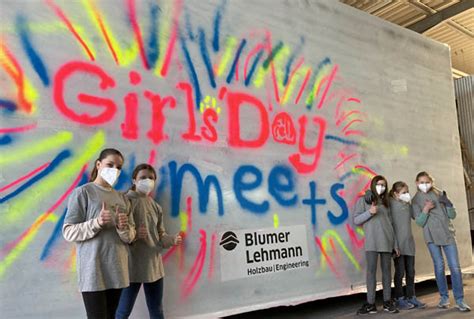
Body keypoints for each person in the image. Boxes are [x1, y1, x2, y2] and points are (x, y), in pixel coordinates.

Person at [63, 148, 135, 319]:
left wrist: (123, 227)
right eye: (110, 165)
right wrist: (97, 223)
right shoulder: (83, 192)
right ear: (98, 164)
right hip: (93, 272)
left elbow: (130, 237)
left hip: (118, 271)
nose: (114, 170)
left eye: (118, 167)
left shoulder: (123, 199)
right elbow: (68, 232)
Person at [116, 163, 183, 319]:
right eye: (143, 177)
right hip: (132, 267)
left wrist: (172, 240)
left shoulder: (156, 206)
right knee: (123, 311)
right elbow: (119, 234)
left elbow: (160, 236)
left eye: (151, 178)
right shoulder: (125, 201)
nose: (147, 181)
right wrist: (135, 234)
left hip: (154, 266)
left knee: (157, 310)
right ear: (134, 180)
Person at [412, 171, 471, 312]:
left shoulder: (439, 193)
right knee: (439, 266)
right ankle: (444, 297)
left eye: (427, 182)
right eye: (421, 182)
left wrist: (449, 205)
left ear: (432, 182)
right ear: (416, 183)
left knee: (455, 267)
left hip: (447, 234)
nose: (424, 185)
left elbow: (452, 215)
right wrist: (426, 209)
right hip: (431, 237)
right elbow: (419, 222)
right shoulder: (415, 201)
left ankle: (459, 299)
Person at [354, 175, 399, 314]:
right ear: (373, 185)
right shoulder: (363, 200)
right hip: (371, 242)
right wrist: (370, 212)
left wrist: (395, 244)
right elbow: (356, 220)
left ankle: (387, 302)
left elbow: (391, 224)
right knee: (371, 273)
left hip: (386, 241)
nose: (382, 187)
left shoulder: (386, 203)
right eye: (379, 184)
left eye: (384, 185)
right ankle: (370, 303)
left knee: (387, 272)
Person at [389, 181, 426, 310]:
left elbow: (416, 217)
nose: (406, 195)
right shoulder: (391, 205)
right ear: (395, 194)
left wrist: (418, 204)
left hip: (409, 244)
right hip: (398, 246)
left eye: (407, 192)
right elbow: (390, 226)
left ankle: (411, 296)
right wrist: (395, 245)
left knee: (411, 272)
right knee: (400, 272)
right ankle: (399, 298)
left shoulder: (407, 205)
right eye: (404, 193)